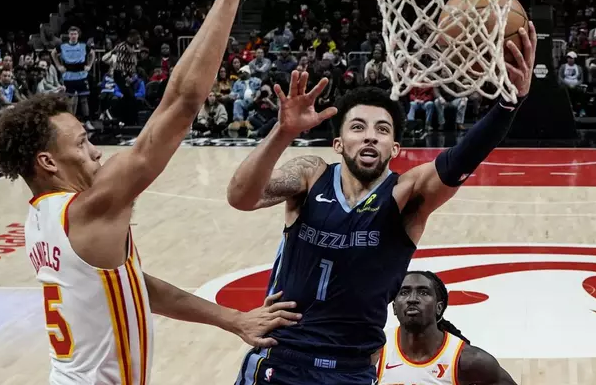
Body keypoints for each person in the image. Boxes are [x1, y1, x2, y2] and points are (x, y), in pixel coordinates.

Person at [0, 0, 300, 384]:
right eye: (82, 143)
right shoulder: (88, 210)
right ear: (48, 162)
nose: (96, 152)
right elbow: (183, 103)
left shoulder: (41, 216)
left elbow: (134, 285)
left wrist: (233, 319)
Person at [227, 22, 537, 385]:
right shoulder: (311, 175)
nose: (370, 135)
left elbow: (460, 160)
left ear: (395, 148)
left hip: (353, 370)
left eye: (382, 130)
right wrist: (283, 133)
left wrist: (508, 104)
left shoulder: (406, 194)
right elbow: (241, 197)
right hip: (282, 359)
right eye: (358, 127)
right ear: (339, 143)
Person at [377, 271, 516, 385]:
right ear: (394, 307)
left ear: (439, 307)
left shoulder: (468, 361)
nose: (412, 299)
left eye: (423, 292)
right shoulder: (374, 351)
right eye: (404, 292)